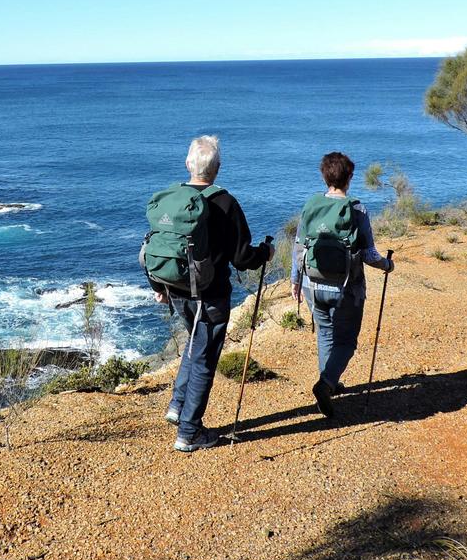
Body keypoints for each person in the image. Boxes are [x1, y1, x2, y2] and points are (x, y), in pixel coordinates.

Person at [146, 135, 273, 452]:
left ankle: (177, 406)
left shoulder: (171, 200)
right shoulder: (226, 202)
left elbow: (156, 247)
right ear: (217, 168)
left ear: (188, 164)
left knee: (194, 344)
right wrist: (266, 254)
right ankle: (189, 433)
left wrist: (159, 288)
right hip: (210, 296)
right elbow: (243, 258)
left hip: (176, 290)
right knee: (204, 358)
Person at [290, 151, 395, 420]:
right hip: (346, 288)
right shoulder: (357, 209)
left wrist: (295, 281)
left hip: (313, 285)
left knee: (325, 333)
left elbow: (299, 247)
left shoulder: (311, 205)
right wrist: (387, 265)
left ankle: (331, 381)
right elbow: (370, 255)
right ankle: (325, 385)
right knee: (346, 341)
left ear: (324, 176)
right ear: (349, 178)